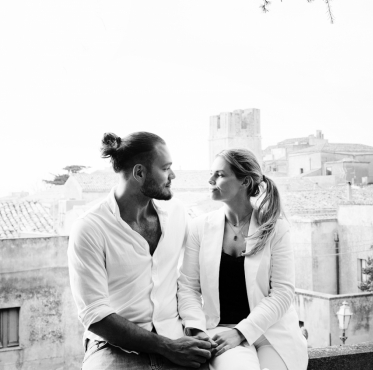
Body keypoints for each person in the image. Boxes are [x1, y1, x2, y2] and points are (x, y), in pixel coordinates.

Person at [67, 132, 212, 369]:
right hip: (113, 347)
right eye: (166, 169)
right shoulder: (89, 228)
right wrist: (167, 347)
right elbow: (94, 315)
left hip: (177, 337)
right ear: (140, 173)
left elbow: (199, 268)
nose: (172, 175)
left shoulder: (177, 212)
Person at [178, 149, 309, 370]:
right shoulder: (198, 228)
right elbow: (188, 287)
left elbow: (283, 292)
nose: (210, 180)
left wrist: (241, 332)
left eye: (219, 175)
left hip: (272, 331)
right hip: (220, 331)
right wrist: (196, 328)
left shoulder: (276, 228)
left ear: (244, 182)